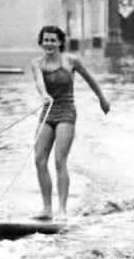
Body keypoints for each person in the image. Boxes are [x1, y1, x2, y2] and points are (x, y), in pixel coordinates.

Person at [30, 25, 110, 222]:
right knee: (39, 159)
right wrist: (44, 94)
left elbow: (91, 80)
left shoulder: (71, 61)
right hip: (48, 111)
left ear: (59, 42)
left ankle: (62, 210)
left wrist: (102, 99)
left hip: (66, 112)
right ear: (41, 43)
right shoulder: (36, 63)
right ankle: (47, 209)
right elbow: (40, 83)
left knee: (59, 161)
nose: (49, 44)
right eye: (45, 40)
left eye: (52, 40)